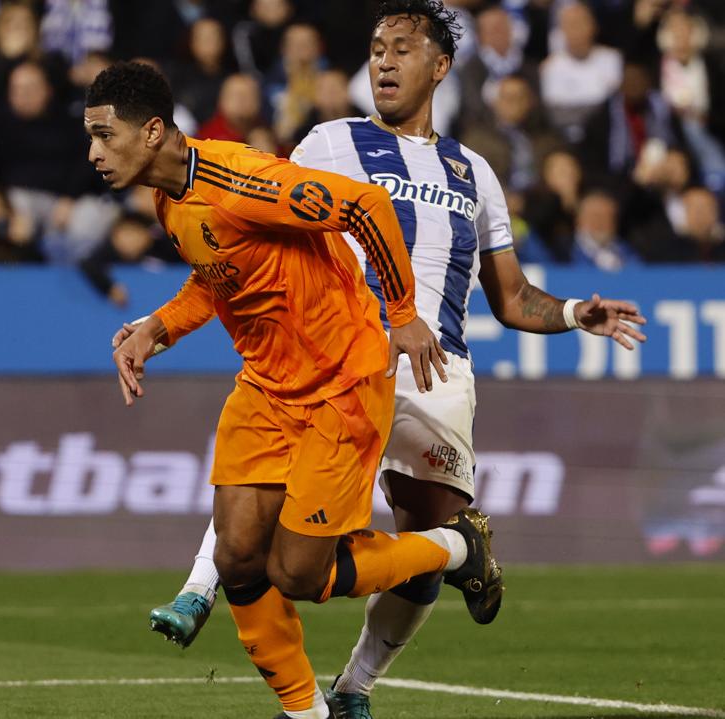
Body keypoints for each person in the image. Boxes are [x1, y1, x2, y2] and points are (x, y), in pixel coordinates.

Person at [137, 3, 649, 717]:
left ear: (439, 67)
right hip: (337, 359)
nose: (382, 60)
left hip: (433, 375)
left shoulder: (476, 174)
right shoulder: (327, 142)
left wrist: (570, 313)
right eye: (376, 48)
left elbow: (511, 296)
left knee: (425, 540)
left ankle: (354, 689)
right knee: (263, 501)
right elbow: (250, 231)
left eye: (401, 49)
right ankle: (199, 586)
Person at [88, 60, 503, 719]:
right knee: (240, 556)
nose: (94, 153)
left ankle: (456, 545)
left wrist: (401, 314)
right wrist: (157, 328)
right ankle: (305, 712)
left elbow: (365, 206)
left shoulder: (244, 179)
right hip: (267, 387)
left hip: (341, 381)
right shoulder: (168, 199)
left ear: (154, 132)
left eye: (105, 136)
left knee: (300, 574)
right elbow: (216, 273)